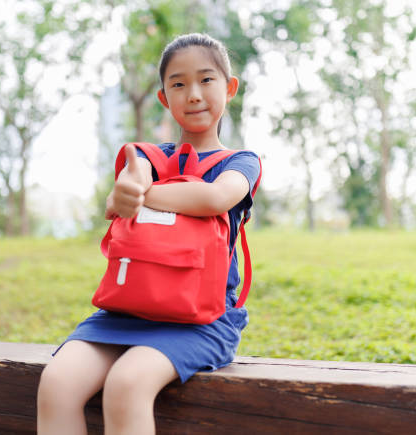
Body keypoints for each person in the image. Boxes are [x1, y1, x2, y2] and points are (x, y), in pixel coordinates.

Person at [37, 33, 261, 434]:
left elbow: (214, 198)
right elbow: (114, 202)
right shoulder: (149, 158)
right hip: (125, 311)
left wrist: (143, 194)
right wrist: (128, 188)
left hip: (202, 320)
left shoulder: (241, 162)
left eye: (206, 80)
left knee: (127, 384)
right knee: (57, 383)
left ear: (229, 88)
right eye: (178, 84)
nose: (193, 94)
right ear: (164, 98)